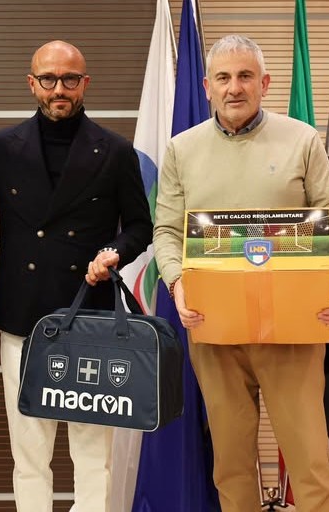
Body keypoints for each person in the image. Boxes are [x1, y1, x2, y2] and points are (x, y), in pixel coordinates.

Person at [0, 40, 152, 512]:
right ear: (32, 83)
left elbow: (139, 226)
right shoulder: (1, 147)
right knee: (29, 453)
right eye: (48, 79)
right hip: (23, 320)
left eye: (69, 79)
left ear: (84, 83)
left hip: (89, 317)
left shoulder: (115, 150)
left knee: (92, 454)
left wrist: (114, 252)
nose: (59, 89)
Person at [153, 34, 329, 512]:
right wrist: (177, 281)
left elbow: (327, 220)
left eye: (246, 76)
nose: (235, 87)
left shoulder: (303, 139)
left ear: (264, 83)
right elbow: (166, 230)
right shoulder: (181, 149)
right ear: (207, 86)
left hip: (293, 331)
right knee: (230, 465)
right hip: (214, 329)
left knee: (311, 464)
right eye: (224, 78)